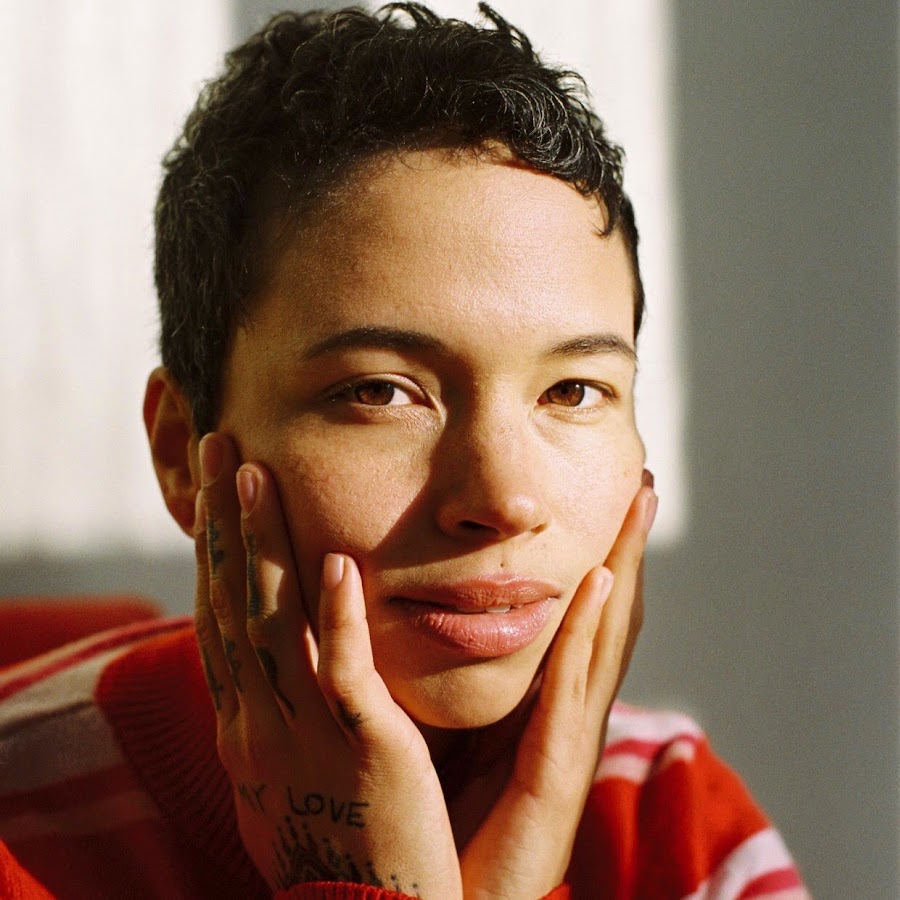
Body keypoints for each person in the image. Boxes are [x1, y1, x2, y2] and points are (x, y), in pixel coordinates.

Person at [0, 4, 809, 898]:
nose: (503, 500)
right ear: (181, 454)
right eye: (380, 392)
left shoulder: (673, 828)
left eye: (572, 391)